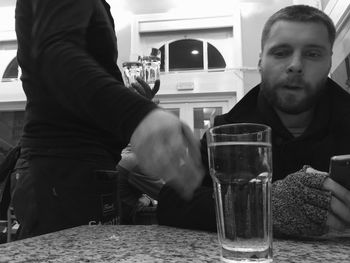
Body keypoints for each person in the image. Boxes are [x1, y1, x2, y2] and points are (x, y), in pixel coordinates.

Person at [8, 0, 203, 239]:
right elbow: (54, 56)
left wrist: (126, 104)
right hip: (62, 169)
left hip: (79, 168)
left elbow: (63, 80)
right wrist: (138, 114)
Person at [157, 5, 350, 238]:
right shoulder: (228, 129)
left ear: (329, 61)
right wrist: (264, 205)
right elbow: (172, 200)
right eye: (280, 52)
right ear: (260, 62)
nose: (296, 65)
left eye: (313, 54)